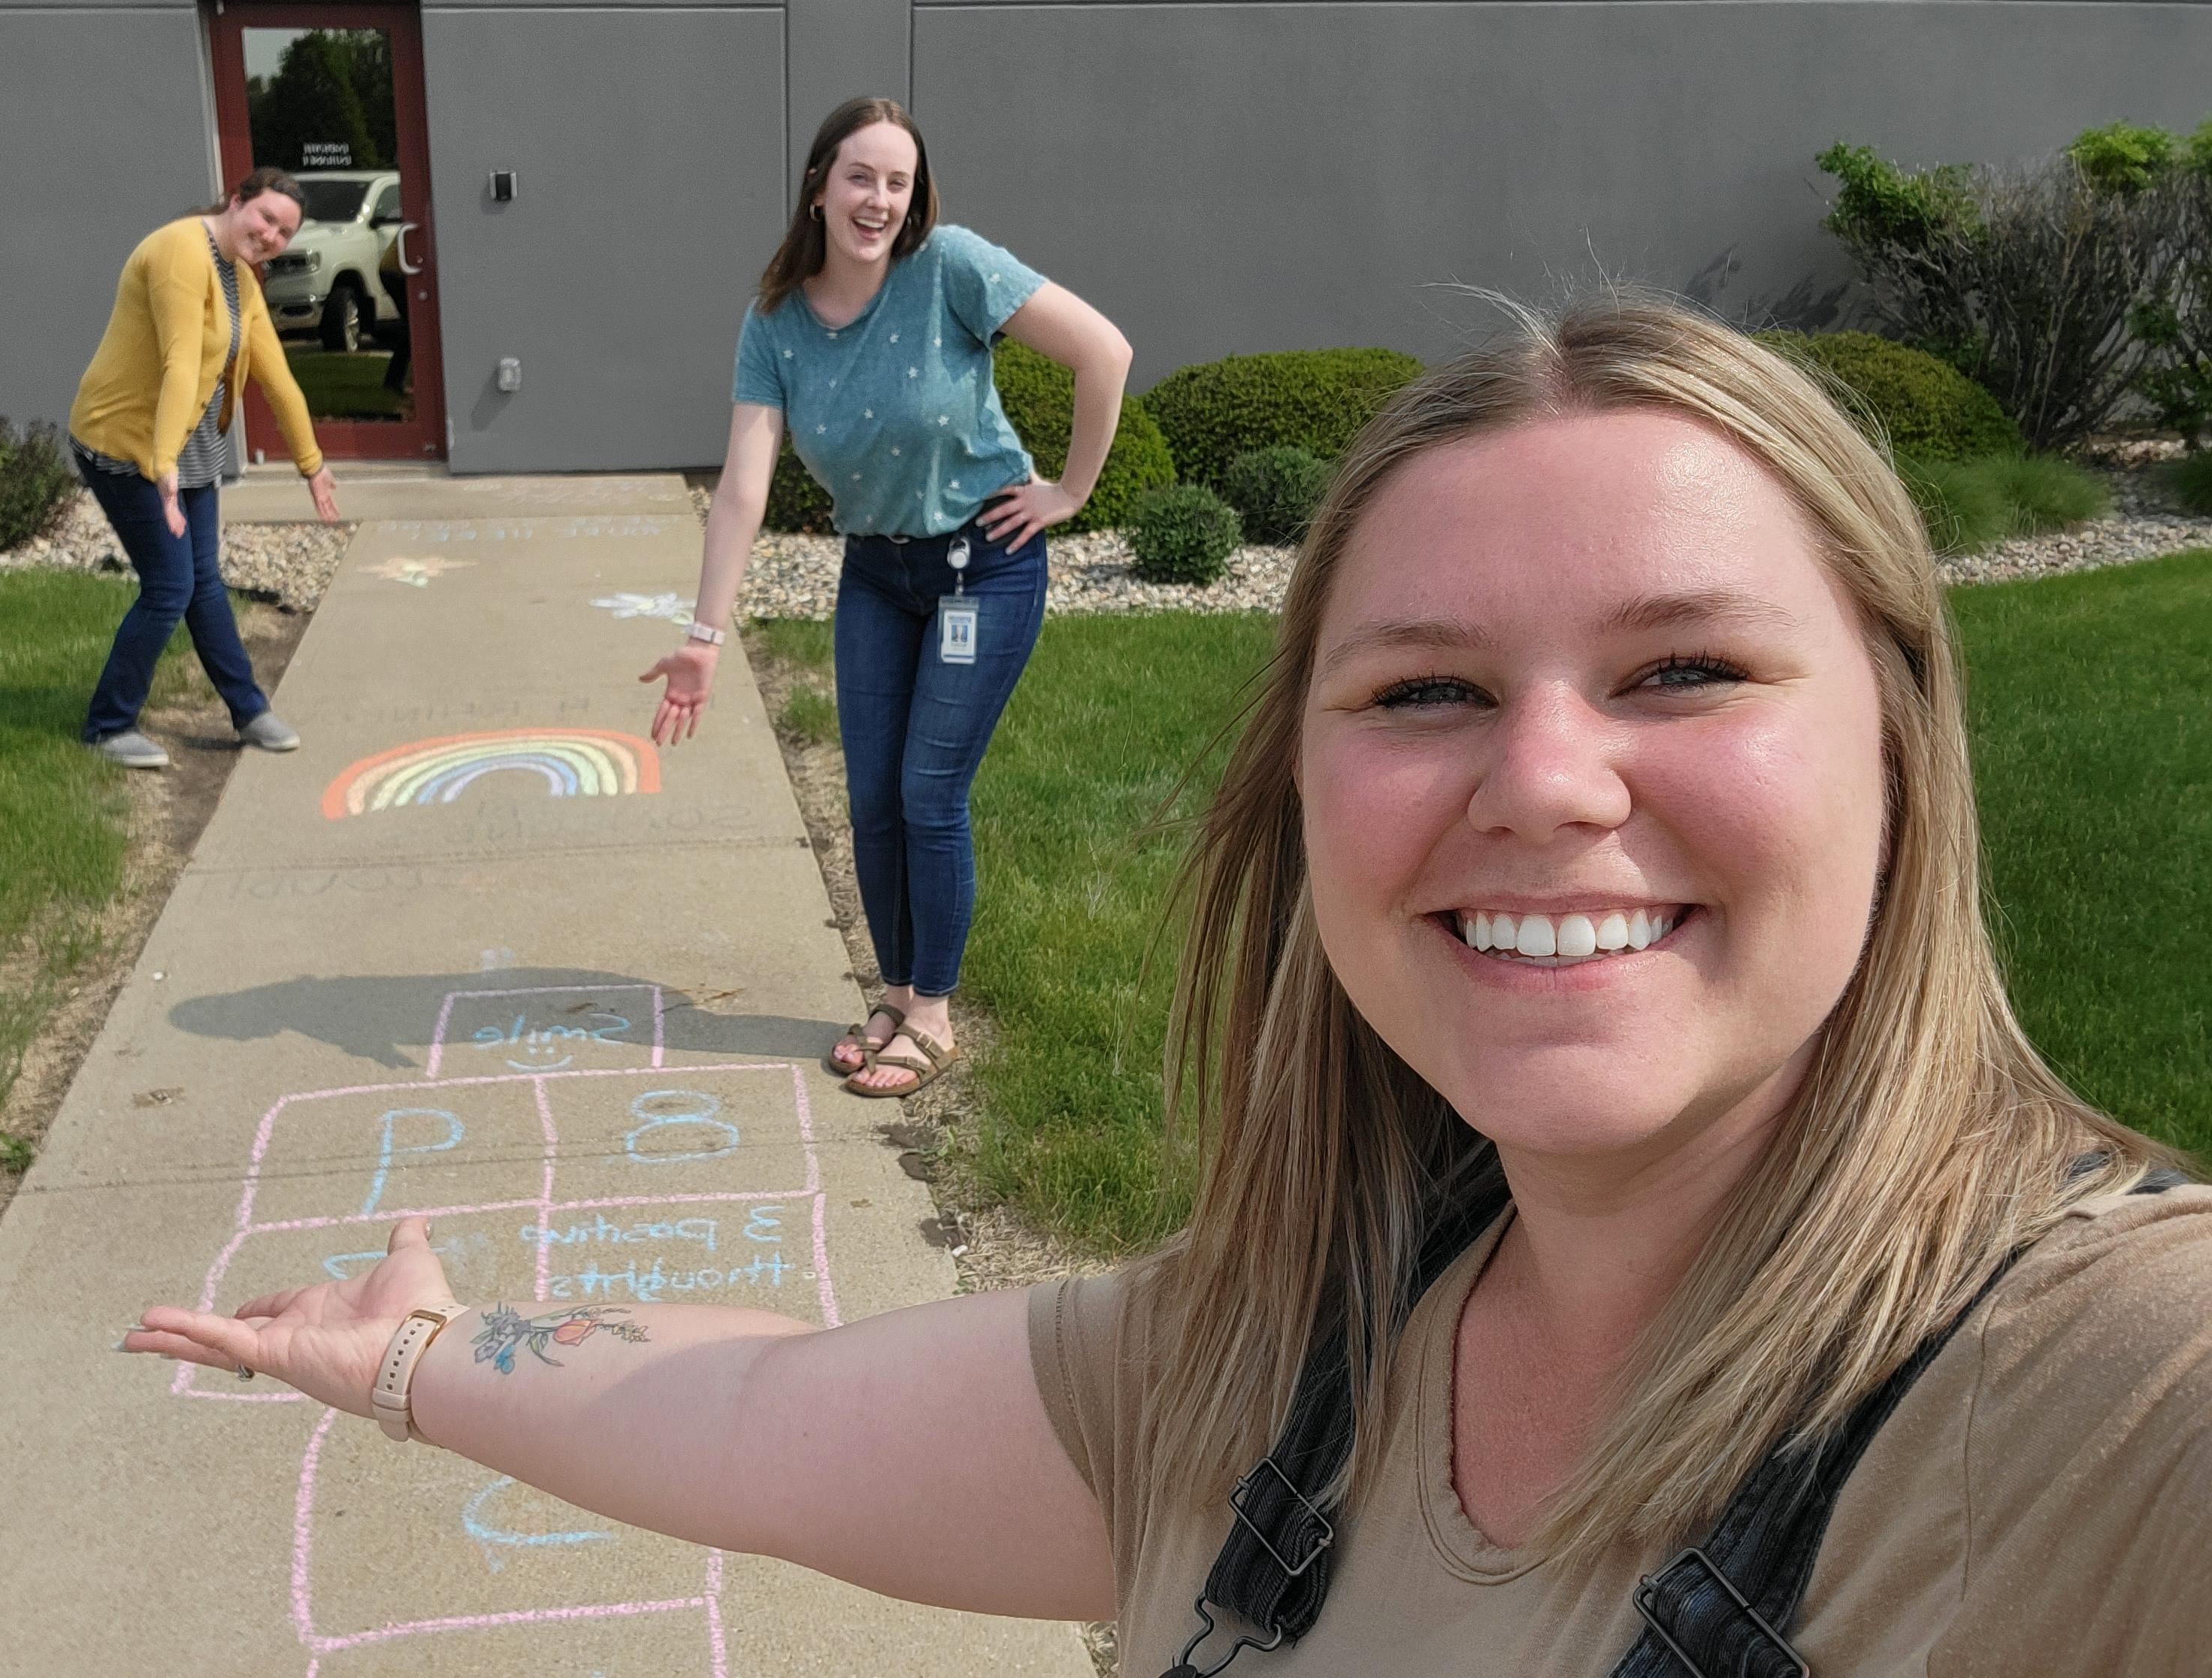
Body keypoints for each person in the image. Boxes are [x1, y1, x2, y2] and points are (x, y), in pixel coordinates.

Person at [127, 295, 2210, 1672]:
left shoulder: (2101, 1412)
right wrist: (420, 1354)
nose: (1549, 781)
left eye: (1686, 670)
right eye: (1426, 691)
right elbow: (755, 1411)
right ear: (1303, 789)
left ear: (1899, 744)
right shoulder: (1269, 1367)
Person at [640, 96, 1133, 1099]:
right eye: (859, 176)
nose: (878, 200)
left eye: (897, 182)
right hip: (877, 572)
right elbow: (743, 481)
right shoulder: (774, 319)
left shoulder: (948, 266)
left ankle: (936, 1016)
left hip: (982, 564)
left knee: (928, 792)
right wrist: (703, 635)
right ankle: (897, 991)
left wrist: (1071, 492)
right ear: (819, 183)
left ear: (916, 199)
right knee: (870, 804)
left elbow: (1104, 352)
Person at [67, 169, 339, 769]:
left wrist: (311, 465)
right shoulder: (177, 252)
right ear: (236, 201)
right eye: (266, 218)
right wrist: (162, 468)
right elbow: (181, 363)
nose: (271, 236)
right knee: (170, 588)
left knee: (203, 582)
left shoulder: (241, 277)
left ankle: (249, 711)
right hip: (126, 444)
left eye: (284, 232)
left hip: (188, 446)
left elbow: (276, 376)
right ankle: (107, 726)